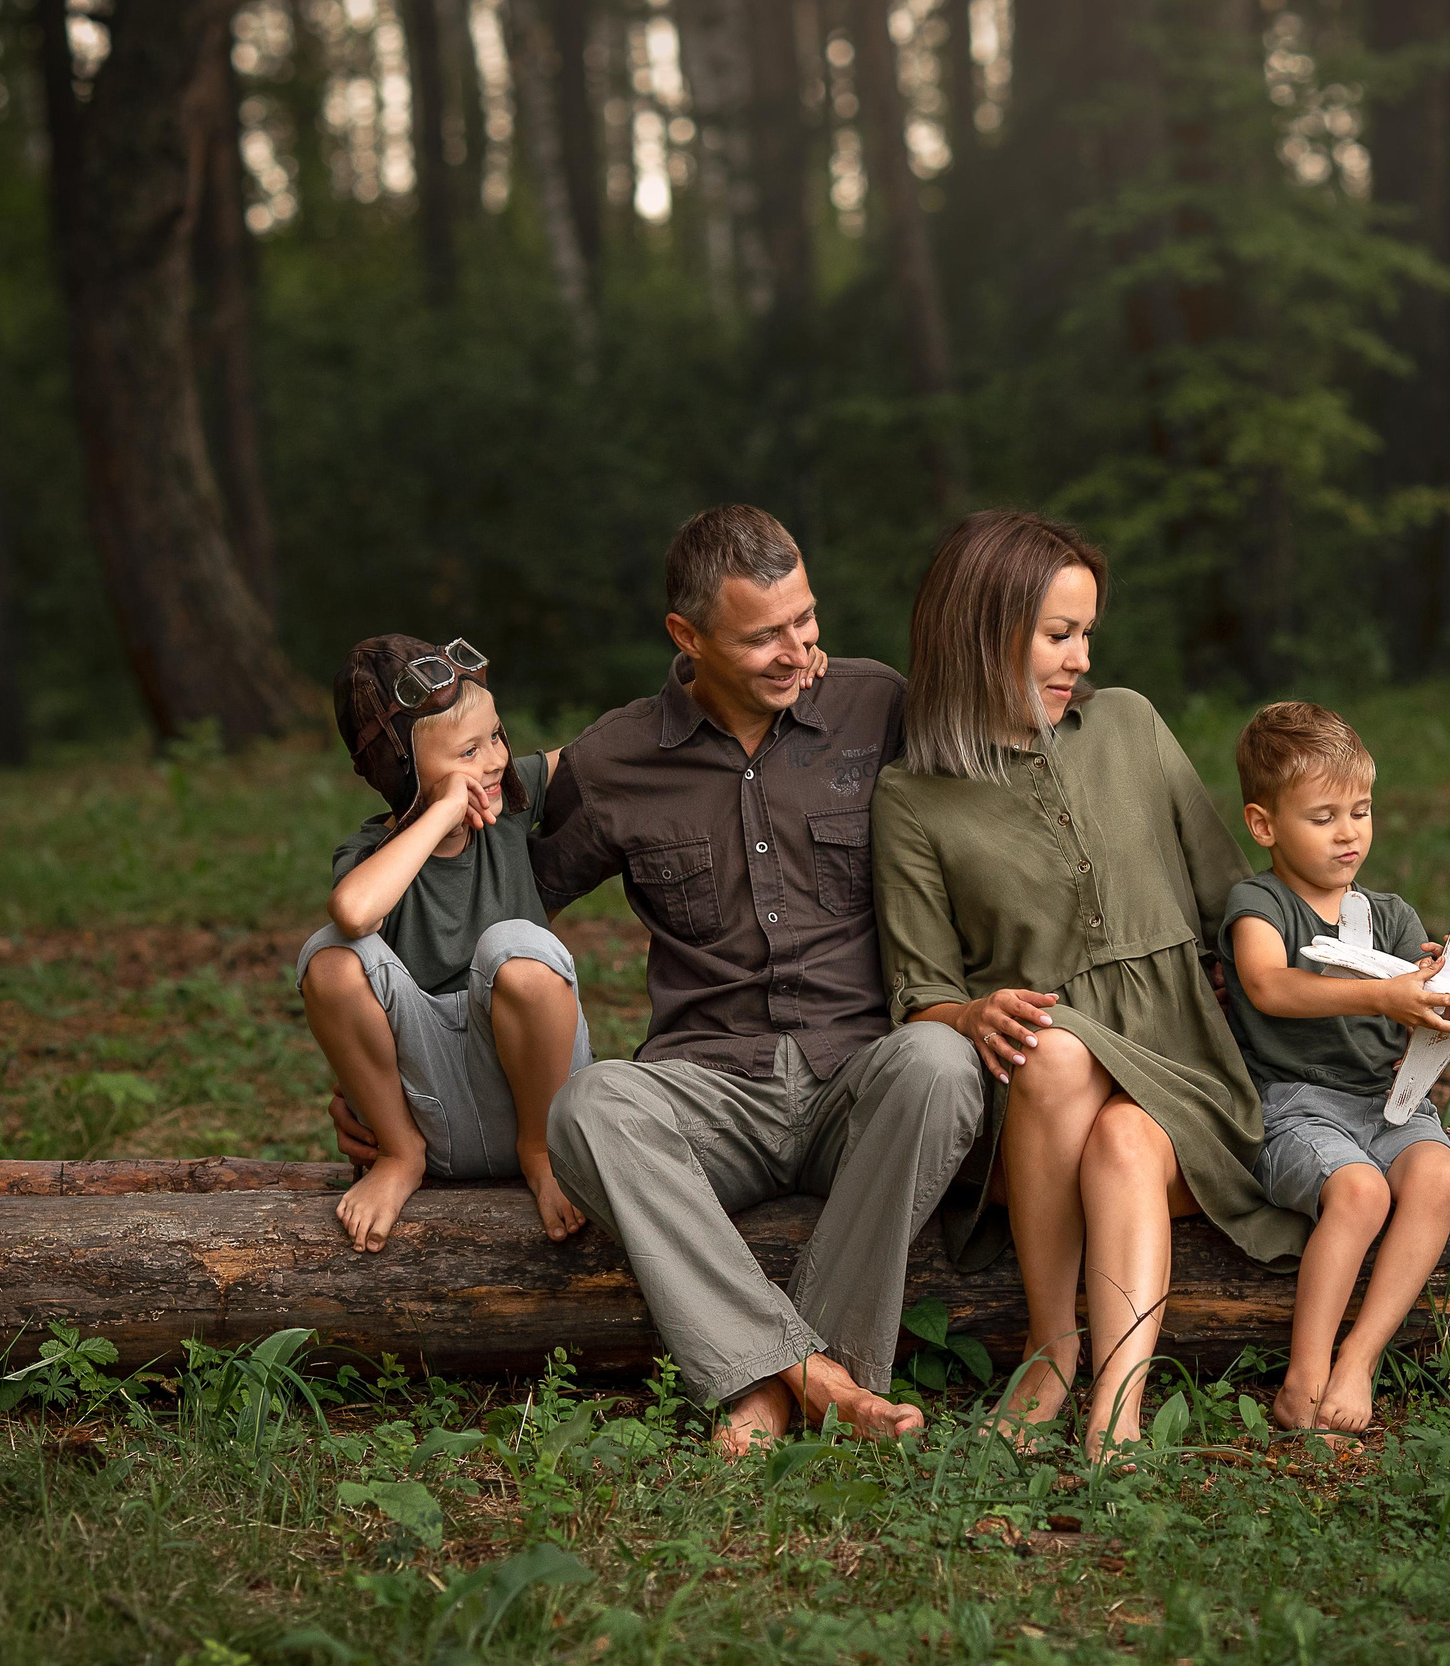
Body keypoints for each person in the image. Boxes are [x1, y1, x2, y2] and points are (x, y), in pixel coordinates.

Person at [527, 505, 987, 1458]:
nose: (798, 649)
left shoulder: (879, 706)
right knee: (592, 1106)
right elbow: (501, 917)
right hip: (710, 1090)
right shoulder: (616, 759)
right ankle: (822, 1379)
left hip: (858, 1080)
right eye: (763, 634)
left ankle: (777, 1384)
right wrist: (391, 1087)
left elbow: (990, 840)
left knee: (940, 1061)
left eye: (806, 619)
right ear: (686, 638)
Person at [872, 510, 1305, 1460]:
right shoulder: (914, 797)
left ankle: (1117, 1407)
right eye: (1057, 635)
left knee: (1123, 1134)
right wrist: (973, 1011)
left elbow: (1238, 900)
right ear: (983, 635)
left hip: (1183, 1053)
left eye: (1086, 635)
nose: (1079, 659)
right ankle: (1051, 1345)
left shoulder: (1130, 725)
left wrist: (1363, 963)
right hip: (1038, 1078)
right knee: (1060, 1052)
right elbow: (922, 991)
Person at [1219, 701, 1450, 1434]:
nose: (1349, 832)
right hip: (1295, 1106)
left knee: (1439, 1177)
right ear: (1264, 825)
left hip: (1389, 1101)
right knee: (1359, 1193)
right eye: (1323, 815)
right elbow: (1266, 984)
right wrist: (1383, 992)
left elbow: (1426, 1026)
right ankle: (1305, 1376)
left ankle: (1359, 1358)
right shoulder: (1260, 904)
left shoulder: (1392, 917)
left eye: (1360, 810)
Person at [300, 635, 597, 1255]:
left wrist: (704, 667)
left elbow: (615, 747)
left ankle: (544, 1159)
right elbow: (354, 913)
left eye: (497, 735)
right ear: (404, 769)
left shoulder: (512, 804)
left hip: (537, 1104)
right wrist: (438, 814)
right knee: (328, 957)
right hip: (431, 1113)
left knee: (519, 946)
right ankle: (401, 1160)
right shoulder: (368, 858)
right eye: (469, 749)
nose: (494, 760)